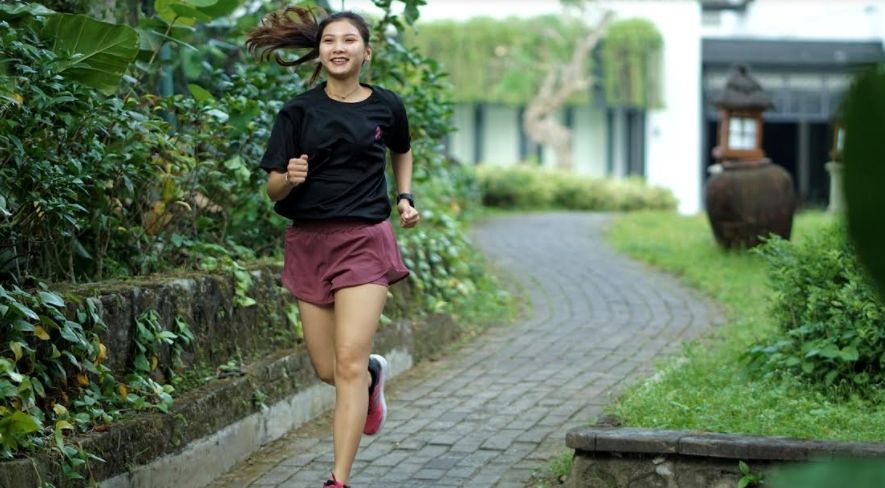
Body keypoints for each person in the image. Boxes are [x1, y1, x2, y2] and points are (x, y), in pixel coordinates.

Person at [246, 6, 420, 488]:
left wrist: (404, 196)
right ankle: (371, 377)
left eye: (348, 40)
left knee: (345, 362)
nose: (338, 48)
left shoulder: (387, 105)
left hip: (365, 239)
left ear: (366, 51)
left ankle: (337, 479)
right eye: (329, 41)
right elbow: (274, 189)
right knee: (329, 368)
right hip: (309, 241)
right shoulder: (298, 112)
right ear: (318, 53)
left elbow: (401, 149)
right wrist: (288, 179)